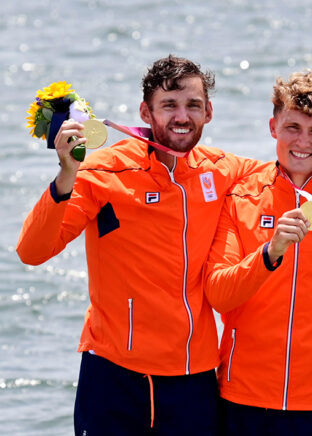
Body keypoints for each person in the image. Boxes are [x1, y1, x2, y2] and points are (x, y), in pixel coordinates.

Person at [16, 55, 265, 436]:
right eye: (169, 105)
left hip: (192, 376)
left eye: (193, 105)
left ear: (209, 112)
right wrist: (66, 175)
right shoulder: (102, 172)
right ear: (145, 113)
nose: (182, 116)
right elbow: (32, 252)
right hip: (113, 374)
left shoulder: (224, 170)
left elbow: (289, 172)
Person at [204, 70, 312, 436]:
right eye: (292, 127)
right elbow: (219, 294)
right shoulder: (240, 199)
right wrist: (269, 253)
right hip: (243, 395)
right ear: (273, 127)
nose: (303, 141)